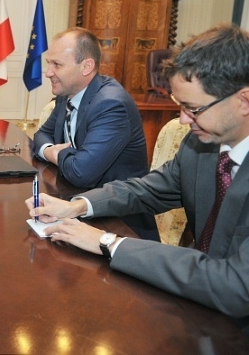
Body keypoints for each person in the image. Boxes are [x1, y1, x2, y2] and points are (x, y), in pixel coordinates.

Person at [26, 23, 249, 336]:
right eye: (181, 106)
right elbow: (148, 189)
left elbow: (236, 286)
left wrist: (108, 242)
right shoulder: (200, 145)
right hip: (196, 306)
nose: (183, 120)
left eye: (194, 109)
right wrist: (78, 206)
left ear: (244, 101)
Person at [32, 27, 158, 240]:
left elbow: (81, 172)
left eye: (57, 65)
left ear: (86, 66)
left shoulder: (111, 104)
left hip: (119, 224)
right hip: (76, 205)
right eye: (48, 64)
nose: (48, 72)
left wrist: (56, 154)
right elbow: (41, 135)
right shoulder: (67, 94)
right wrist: (52, 151)